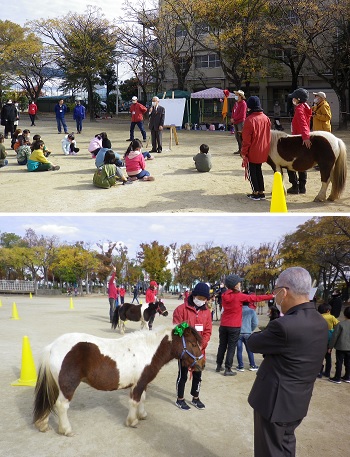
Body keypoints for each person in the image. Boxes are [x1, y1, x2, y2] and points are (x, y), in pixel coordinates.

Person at [247, 267, 328, 457]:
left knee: (269, 451)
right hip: (298, 400)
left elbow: (253, 342)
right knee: (285, 445)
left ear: (283, 292)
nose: (275, 297)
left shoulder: (284, 326)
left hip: (274, 402)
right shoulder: (320, 321)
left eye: (275, 292)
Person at [216, 274, 273, 376]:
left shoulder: (224, 295)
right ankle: (228, 368)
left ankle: (219, 365)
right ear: (235, 285)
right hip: (234, 325)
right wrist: (271, 296)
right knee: (231, 347)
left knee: (222, 345)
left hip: (224, 324)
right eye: (238, 283)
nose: (240, 284)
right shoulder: (239, 296)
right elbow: (256, 298)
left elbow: (227, 293)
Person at [173, 282, 212, 410]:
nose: (201, 301)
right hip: (185, 351)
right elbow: (177, 330)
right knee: (182, 375)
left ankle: (195, 397)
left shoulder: (206, 312)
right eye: (199, 298)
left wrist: (202, 344)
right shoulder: (181, 309)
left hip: (200, 351)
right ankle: (180, 399)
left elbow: (207, 331)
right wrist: (186, 330)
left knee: (198, 375)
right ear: (194, 295)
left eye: (204, 299)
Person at [241, 96, 271, 201]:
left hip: (252, 150)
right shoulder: (266, 118)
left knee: (251, 171)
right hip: (263, 149)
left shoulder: (249, 120)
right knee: (258, 170)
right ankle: (261, 191)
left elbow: (246, 139)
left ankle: (255, 192)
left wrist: (243, 152)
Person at [287, 88, 312, 195]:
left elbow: (302, 122)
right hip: (301, 137)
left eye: (294, 97)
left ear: (298, 99)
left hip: (298, 138)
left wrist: (306, 136)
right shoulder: (306, 106)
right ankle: (302, 187)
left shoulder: (299, 108)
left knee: (289, 163)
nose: (292, 99)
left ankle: (294, 185)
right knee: (302, 164)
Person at [328, 306, 350, 384]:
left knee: (339, 362)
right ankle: (347, 376)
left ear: (344, 314)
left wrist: (330, 347)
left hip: (341, 347)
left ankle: (337, 377)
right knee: (348, 362)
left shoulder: (341, 324)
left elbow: (335, 336)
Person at [235, 302, 259, 372]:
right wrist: (250, 329)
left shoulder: (237, 311)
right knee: (249, 350)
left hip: (238, 332)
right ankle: (252, 365)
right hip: (247, 332)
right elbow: (255, 323)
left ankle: (240, 366)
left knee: (239, 350)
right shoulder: (251, 311)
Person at [317, 303, 339, 378]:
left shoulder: (318, 317)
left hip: (320, 338)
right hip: (329, 338)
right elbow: (338, 324)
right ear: (328, 310)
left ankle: (319, 372)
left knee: (319, 357)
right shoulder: (332, 317)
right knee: (328, 357)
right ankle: (327, 372)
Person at [230, 90, 247, 155]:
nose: (236, 96)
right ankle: (240, 149)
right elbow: (233, 111)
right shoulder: (236, 103)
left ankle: (243, 150)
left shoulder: (243, 103)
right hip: (235, 121)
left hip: (240, 121)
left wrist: (234, 118)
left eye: (237, 95)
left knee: (241, 136)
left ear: (240, 96)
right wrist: (232, 118)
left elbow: (242, 114)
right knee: (237, 136)